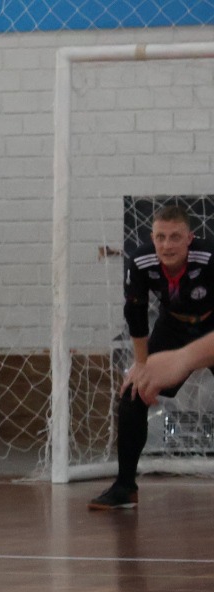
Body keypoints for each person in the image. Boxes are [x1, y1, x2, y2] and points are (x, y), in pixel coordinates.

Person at [90, 203, 214, 510]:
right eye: (160, 237)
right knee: (133, 392)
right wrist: (142, 366)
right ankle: (124, 487)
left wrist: (189, 357)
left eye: (175, 237)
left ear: (190, 238)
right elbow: (136, 314)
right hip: (174, 327)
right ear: (152, 238)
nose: (167, 245)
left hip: (211, 327)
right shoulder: (141, 261)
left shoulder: (210, 258)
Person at [125, 326, 214, 406]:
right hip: (174, 321)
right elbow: (135, 314)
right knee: (136, 388)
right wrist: (141, 363)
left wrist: (181, 359)